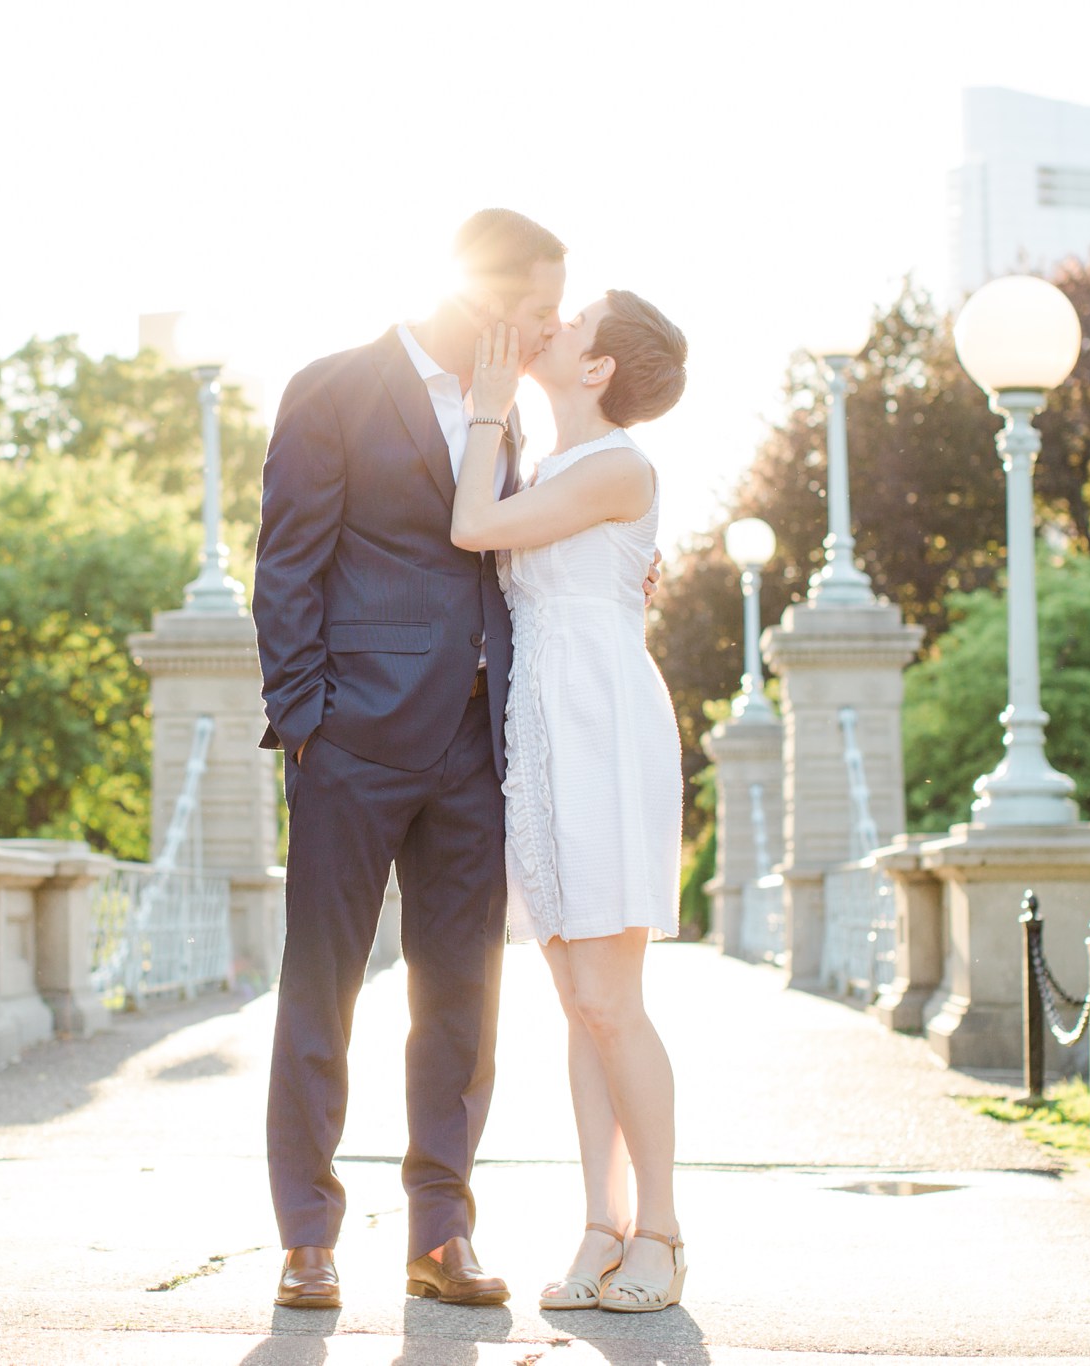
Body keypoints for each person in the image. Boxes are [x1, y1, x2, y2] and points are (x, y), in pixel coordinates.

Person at [252, 209, 658, 1311]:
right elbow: (287, 566)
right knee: (321, 988)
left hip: (480, 752)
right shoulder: (330, 387)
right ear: (484, 298)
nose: (548, 330)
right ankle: (306, 1234)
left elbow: (513, 553)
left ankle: (440, 1231)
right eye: (537, 310)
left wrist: (628, 576)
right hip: (351, 743)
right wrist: (305, 722)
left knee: (461, 1002)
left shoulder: (515, 417)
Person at [448, 291, 690, 1313]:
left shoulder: (620, 466)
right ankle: (601, 1221)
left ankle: (664, 1233)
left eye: (576, 316)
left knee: (609, 1000)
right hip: (541, 732)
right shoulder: (549, 468)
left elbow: (469, 527)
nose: (553, 319)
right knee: (575, 1004)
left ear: (597, 368)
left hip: (602, 729)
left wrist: (484, 404)